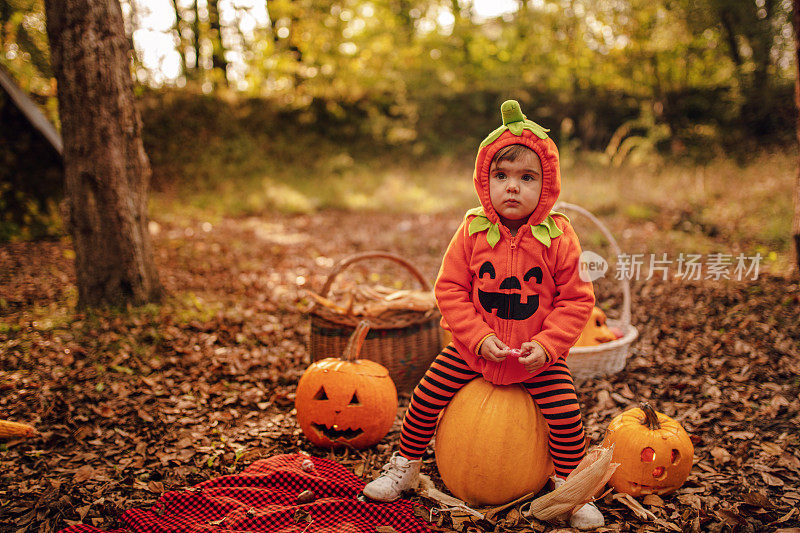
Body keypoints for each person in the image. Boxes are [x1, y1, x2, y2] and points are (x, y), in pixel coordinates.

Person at [363, 100, 602, 530]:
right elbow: (450, 289)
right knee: (423, 400)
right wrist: (474, 337)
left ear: (547, 185)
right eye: (502, 176)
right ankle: (406, 464)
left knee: (567, 418)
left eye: (527, 177)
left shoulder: (560, 236)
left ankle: (569, 487)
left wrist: (548, 347)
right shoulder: (473, 230)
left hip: (536, 358)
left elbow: (576, 299)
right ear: (484, 180)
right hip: (473, 352)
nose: (513, 187)